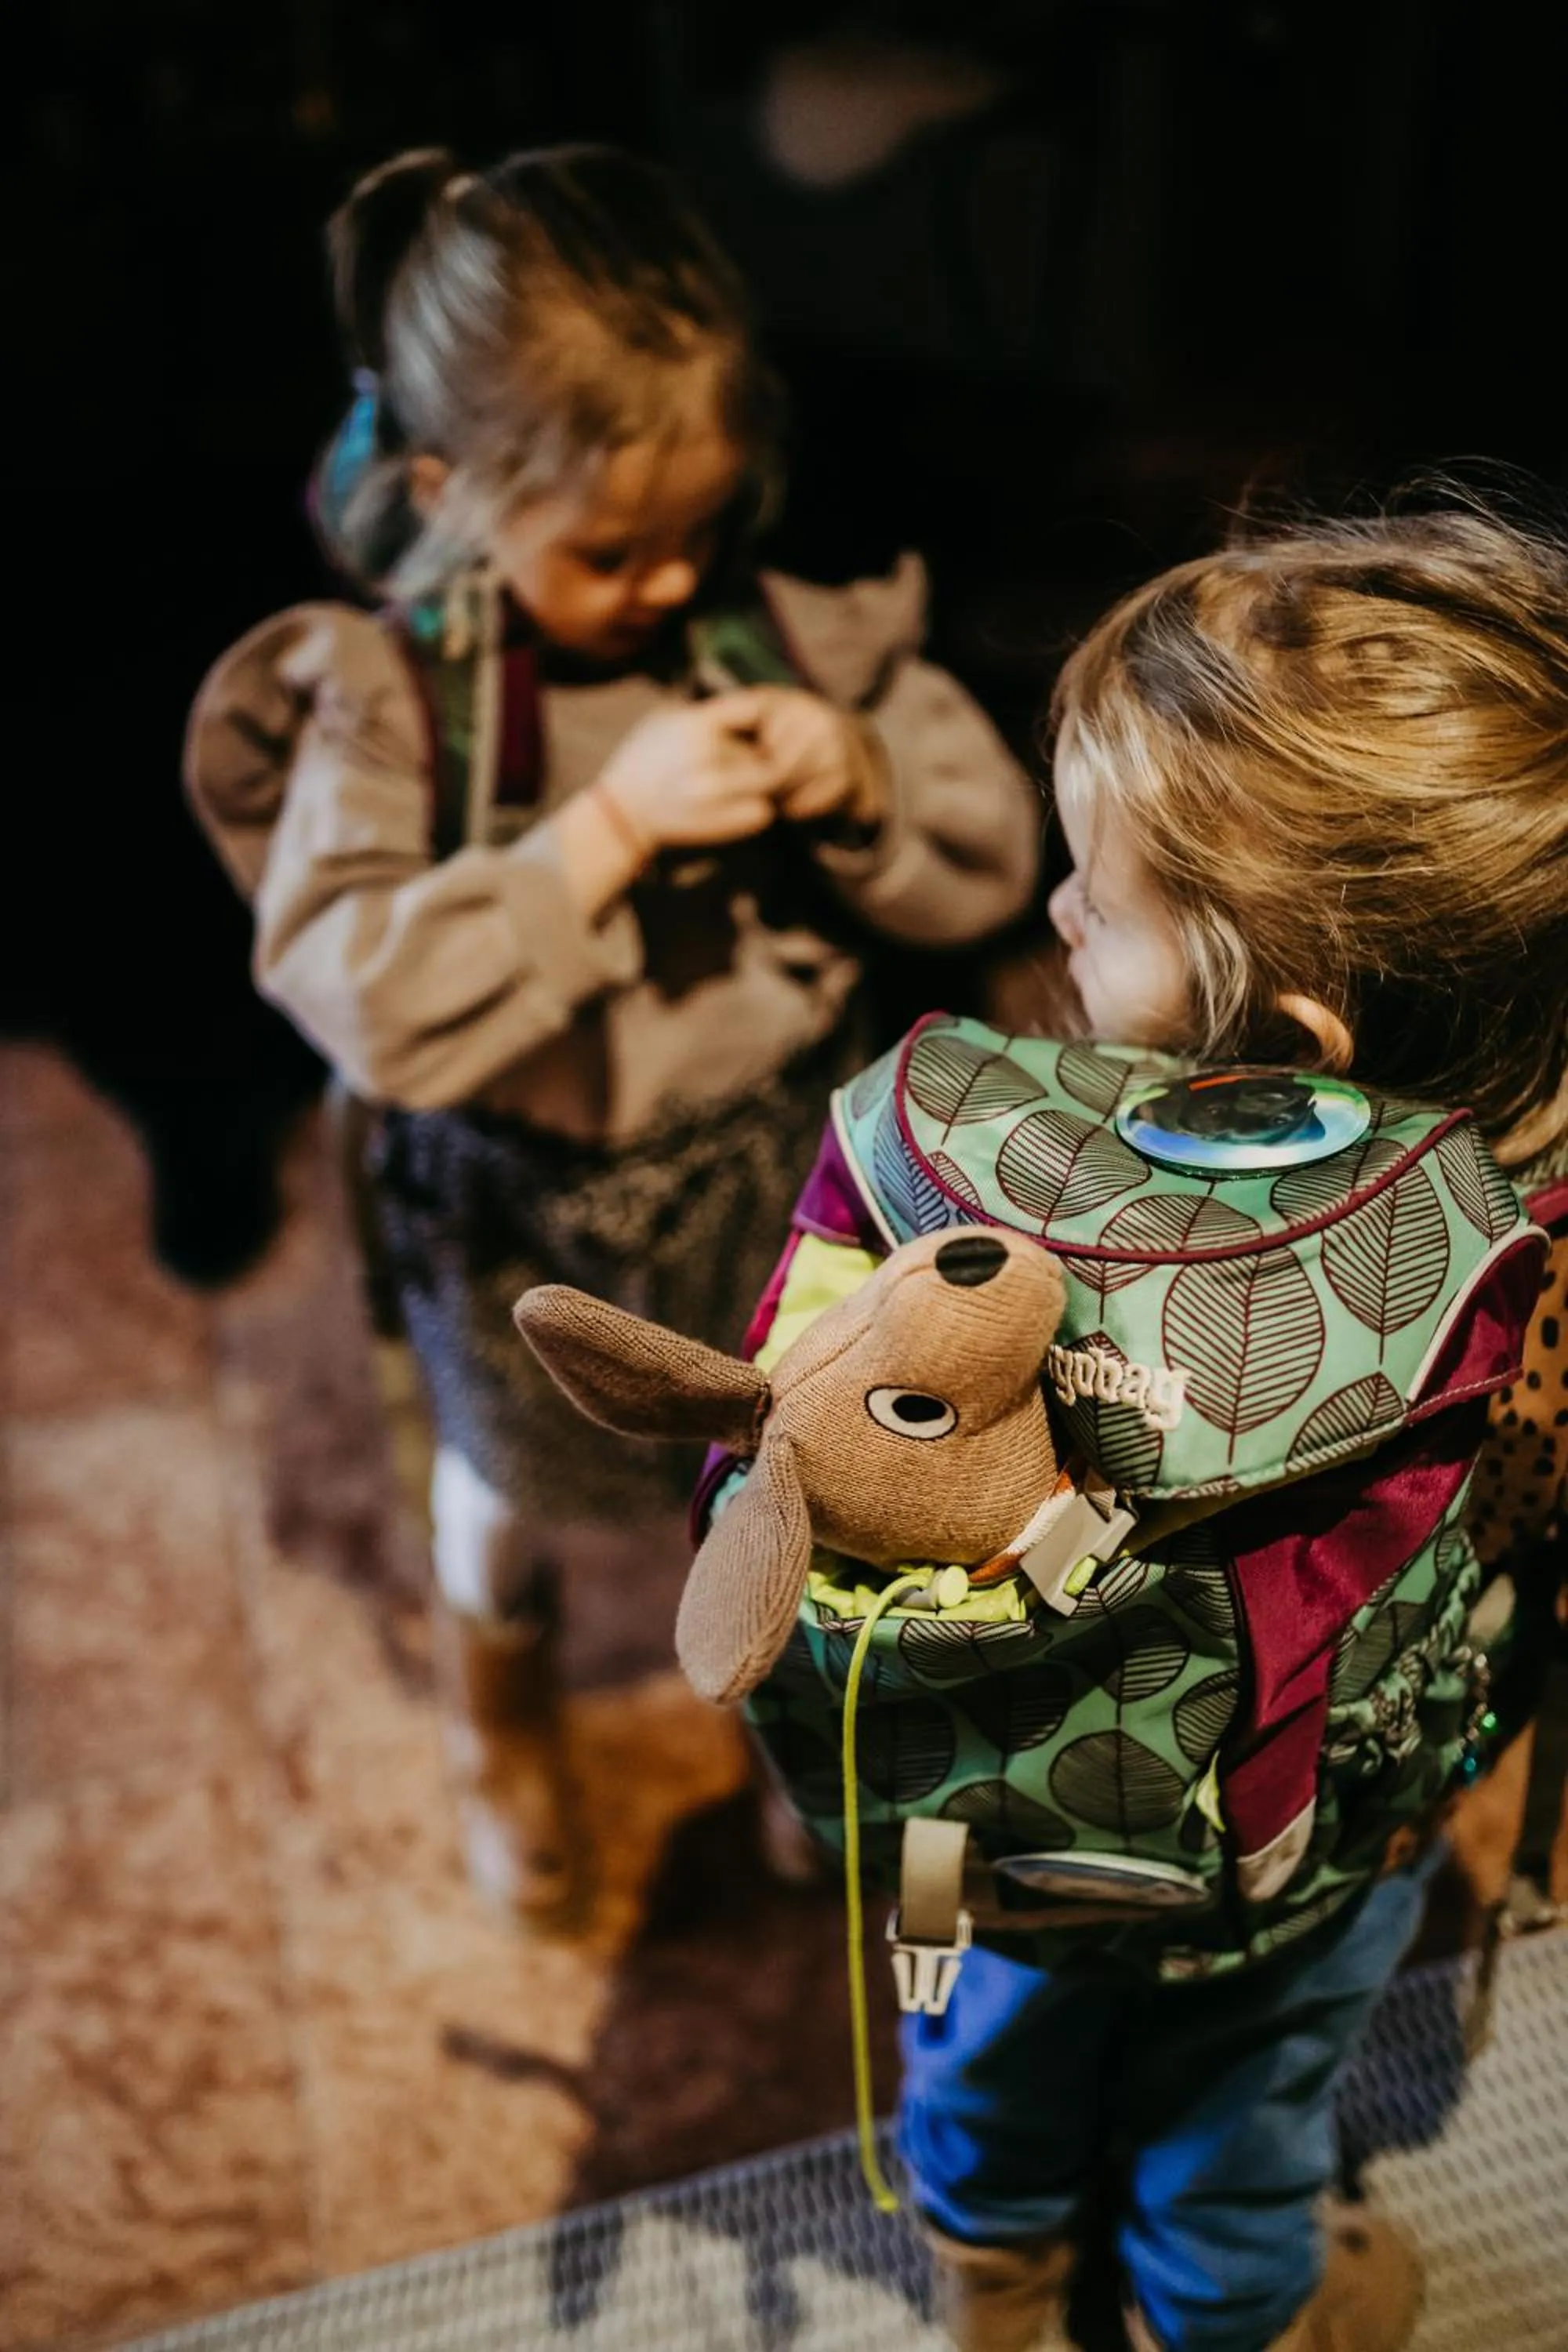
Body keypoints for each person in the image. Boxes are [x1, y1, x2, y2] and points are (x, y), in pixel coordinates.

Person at [728, 481, 1568, 2352]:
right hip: (1309, 1852)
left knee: (975, 2046)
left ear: (1276, 1037)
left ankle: (993, 2272)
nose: (1048, 913)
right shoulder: (1539, 1255)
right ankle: (1232, 2313)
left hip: (982, 1836)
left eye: (1096, 903)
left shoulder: (981, 1197)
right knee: (1242, 2115)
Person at [183, 143, 1041, 1924]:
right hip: (529, 1213)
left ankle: (799, 1716)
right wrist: (602, 833)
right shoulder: (382, 706)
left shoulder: (774, 630)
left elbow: (983, 857)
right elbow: (350, 984)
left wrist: (858, 769)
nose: (662, 584)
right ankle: (503, 1709)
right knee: (502, 1492)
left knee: (793, 1462)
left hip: (775, 1168)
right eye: (606, 549)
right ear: (445, 490)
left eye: (695, 532)